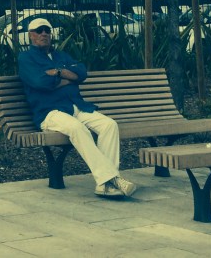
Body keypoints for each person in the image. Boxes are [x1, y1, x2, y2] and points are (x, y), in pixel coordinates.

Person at [17, 17, 137, 199]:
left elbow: (81, 73)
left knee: (109, 125)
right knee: (77, 128)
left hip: (76, 107)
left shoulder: (61, 56)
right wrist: (66, 76)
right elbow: (39, 82)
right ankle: (112, 179)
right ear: (30, 35)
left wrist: (57, 73)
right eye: (39, 30)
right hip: (49, 112)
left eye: (47, 30)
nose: (43, 34)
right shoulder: (26, 58)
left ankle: (105, 184)